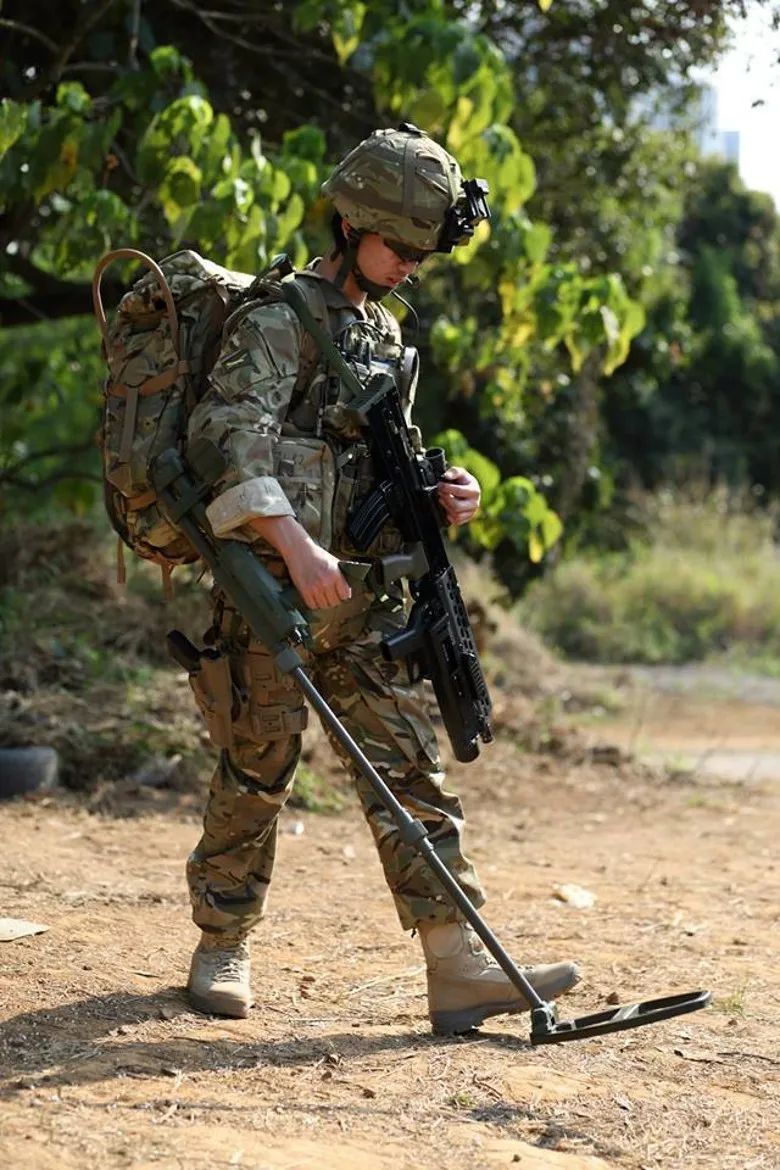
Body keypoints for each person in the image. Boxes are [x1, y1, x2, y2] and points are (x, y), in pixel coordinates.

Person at [183, 123, 580, 1035]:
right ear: (351, 221)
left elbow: (378, 459)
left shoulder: (382, 332)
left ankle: (458, 964)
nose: (406, 264)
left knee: (414, 774)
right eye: (396, 245)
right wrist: (295, 548)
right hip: (277, 589)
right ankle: (222, 943)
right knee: (256, 769)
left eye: (418, 252)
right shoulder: (277, 319)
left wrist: (445, 495)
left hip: (368, 597)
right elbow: (225, 439)